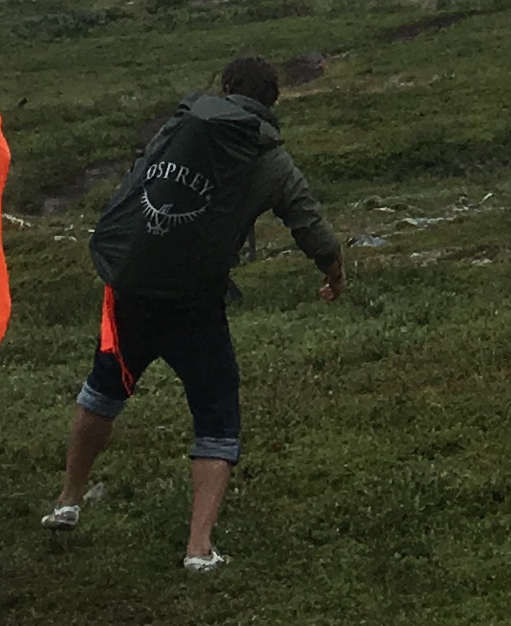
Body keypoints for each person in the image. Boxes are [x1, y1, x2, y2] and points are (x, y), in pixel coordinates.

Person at [44, 55, 340, 572]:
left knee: (103, 389)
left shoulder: (179, 127)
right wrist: (334, 271)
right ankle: (198, 548)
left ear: (225, 88)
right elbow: (307, 220)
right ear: (272, 102)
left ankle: (68, 500)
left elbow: (136, 183)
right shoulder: (269, 157)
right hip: (196, 303)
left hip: (132, 289)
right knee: (216, 413)